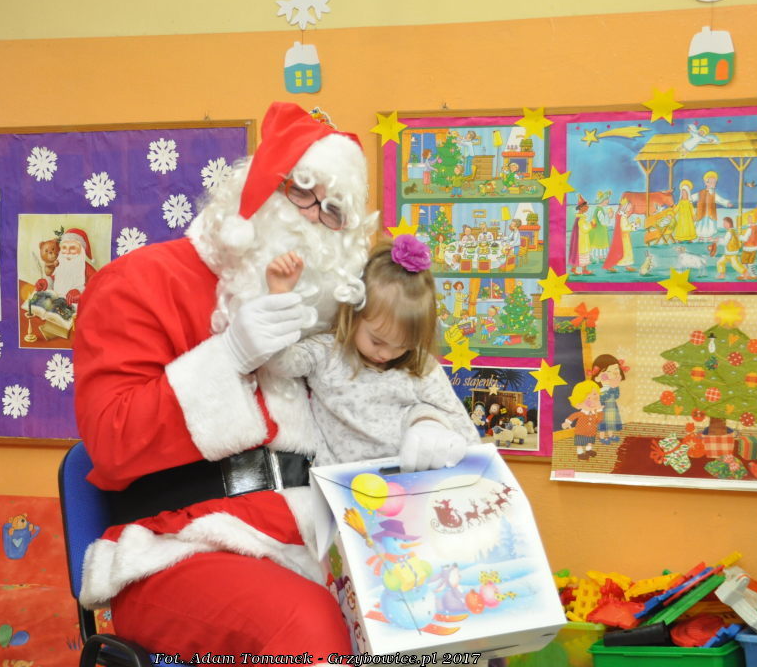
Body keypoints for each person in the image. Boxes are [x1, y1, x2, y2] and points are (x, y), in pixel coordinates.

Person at [72, 102, 377, 657]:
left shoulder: (330, 322)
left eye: (334, 212)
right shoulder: (140, 281)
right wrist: (229, 356)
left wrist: (428, 428)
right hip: (180, 547)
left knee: (436, 617)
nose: (314, 218)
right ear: (258, 190)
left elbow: (377, 413)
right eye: (302, 192)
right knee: (306, 628)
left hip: (315, 544)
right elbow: (111, 442)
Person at [263, 235, 478, 468]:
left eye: (402, 345)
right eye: (377, 341)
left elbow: (465, 432)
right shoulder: (326, 352)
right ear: (354, 314)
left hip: (406, 479)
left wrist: (439, 430)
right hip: (339, 481)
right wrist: (279, 295)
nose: (385, 354)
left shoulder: (419, 365)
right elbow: (277, 362)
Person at [691, 171, 730, 242]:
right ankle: (701, 237)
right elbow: (692, 198)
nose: (713, 184)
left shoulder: (714, 194)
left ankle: (709, 236)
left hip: (710, 213)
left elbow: (720, 199)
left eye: (714, 182)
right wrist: (687, 199)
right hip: (701, 213)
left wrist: (726, 203)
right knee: (701, 224)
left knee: (710, 224)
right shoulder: (700, 193)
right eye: (711, 182)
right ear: (706, 183)